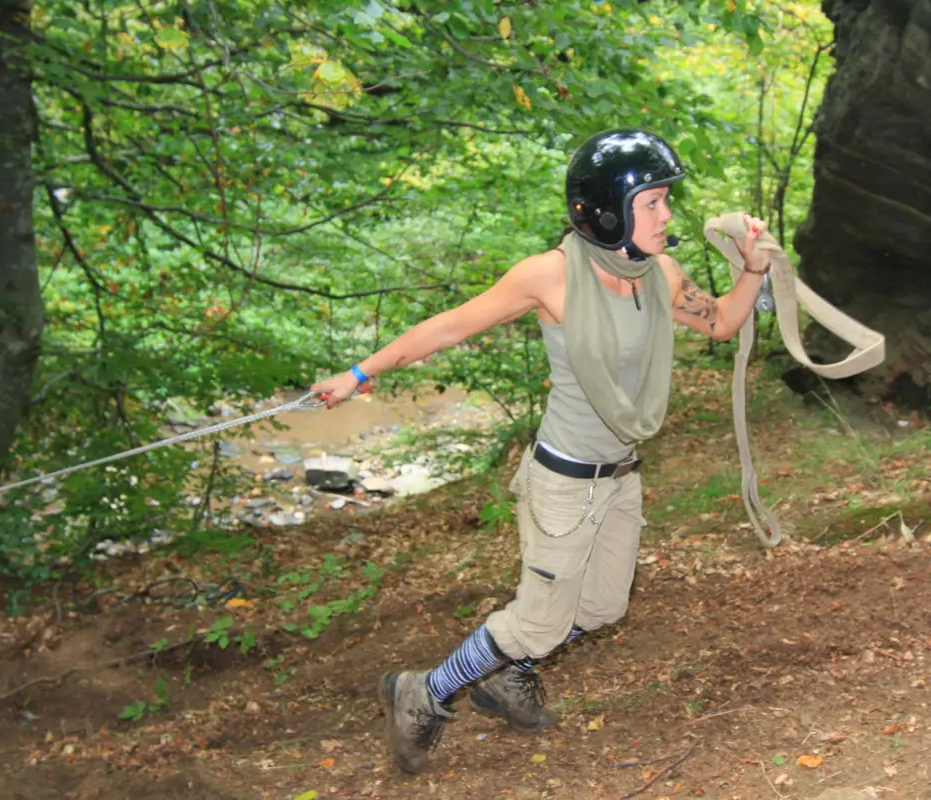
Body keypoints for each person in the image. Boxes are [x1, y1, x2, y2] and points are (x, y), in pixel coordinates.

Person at [310, 129, 773, 774]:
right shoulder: (548, 276)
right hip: (563, 481)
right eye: (654, 203)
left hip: (621, 475)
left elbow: (722, 321)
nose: (669, 216)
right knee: (540, 621)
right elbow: (449, 326)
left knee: (605, 607)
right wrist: (359, 374)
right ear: (608, 208)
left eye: (668, 200)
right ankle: (425, 693)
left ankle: (506, 675)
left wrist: (754, 268)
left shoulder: (659, 274)